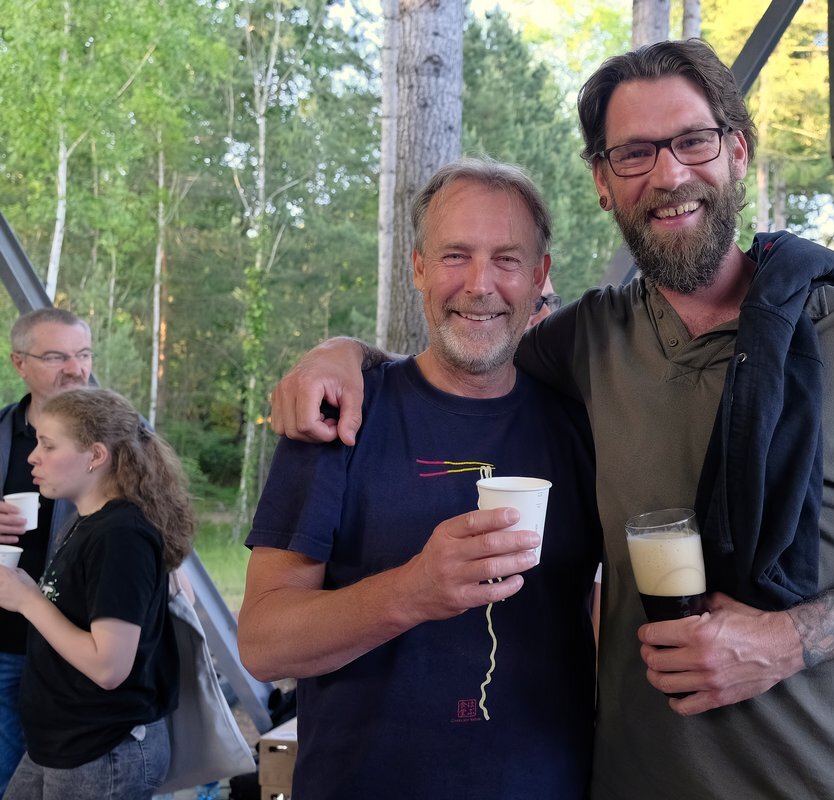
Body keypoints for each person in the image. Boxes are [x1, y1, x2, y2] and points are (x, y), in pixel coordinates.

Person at [269, 40, 834, 800]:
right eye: (635, 153)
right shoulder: (581, 344)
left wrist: (786, 641)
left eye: (693, 141)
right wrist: (344, 354)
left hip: (810, 778)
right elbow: (467, 345)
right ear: (604, 183)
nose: (669, 175)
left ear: (736, 151)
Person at [238, 158, 601, 799]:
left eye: (507, 260)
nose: (480, 285)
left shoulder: (584, 426)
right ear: (419, 268)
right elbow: (265, 644)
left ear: (540, 276)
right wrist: (414, 591)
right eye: (455, 255)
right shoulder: (342, 417)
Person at [0, 387, 195, 799]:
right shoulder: (87, 522)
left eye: (48, 445)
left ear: (95, 455)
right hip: (61, 745)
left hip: (104, 751)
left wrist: (28, 600)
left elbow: (109, 667)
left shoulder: (120, 535)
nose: (33, 456)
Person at [0, 308, 93, 793]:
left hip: (80, 649)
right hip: (4, 645)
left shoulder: (123, 436)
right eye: (57, 356)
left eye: (83, 354)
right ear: (19, 362)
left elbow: (165, 527)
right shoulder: (0, 433)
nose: (76, 369)